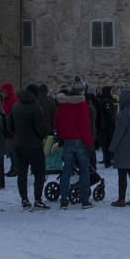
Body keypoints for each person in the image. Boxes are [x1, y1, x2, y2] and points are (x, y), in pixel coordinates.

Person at [54, 77, 95, 210]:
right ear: (81, 91)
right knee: (84, 171)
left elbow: (57, 123)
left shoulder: (63, 104)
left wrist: (61, 137)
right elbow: (84, 126)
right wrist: (89, 143)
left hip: (67, 140)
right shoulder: (81, 105)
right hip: (80, 141)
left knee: (67, 171)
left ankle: (64, 201)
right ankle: (84, 200)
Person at [108, 88, 130, 207]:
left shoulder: (124, 113)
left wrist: (112, 147)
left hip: (124, 147)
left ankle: (121, 199)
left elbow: (119, 133)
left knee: (122, 173)